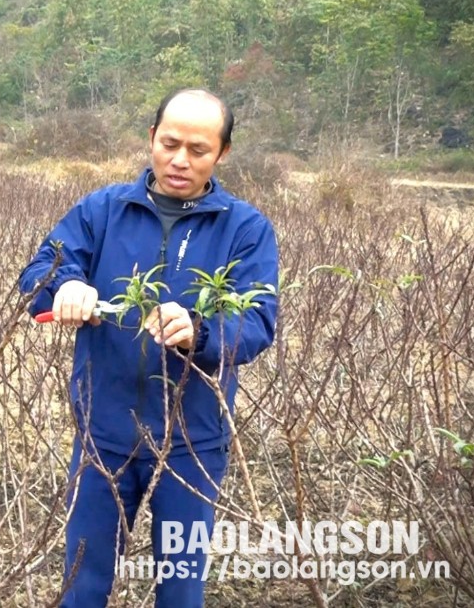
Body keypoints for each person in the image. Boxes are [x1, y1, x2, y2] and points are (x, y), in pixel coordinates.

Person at [18, 88, 279, 607]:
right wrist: (65, 284)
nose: (180, 160)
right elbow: (39, 272)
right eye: (169, 143)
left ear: (222, 153)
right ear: (151, 139)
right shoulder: (102, 209)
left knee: (181, 593)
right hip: (102, 435)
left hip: (192, 444)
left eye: (199, 150)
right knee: (82, 586)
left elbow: (256, 320)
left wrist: (201, 332)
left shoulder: (245, 229)